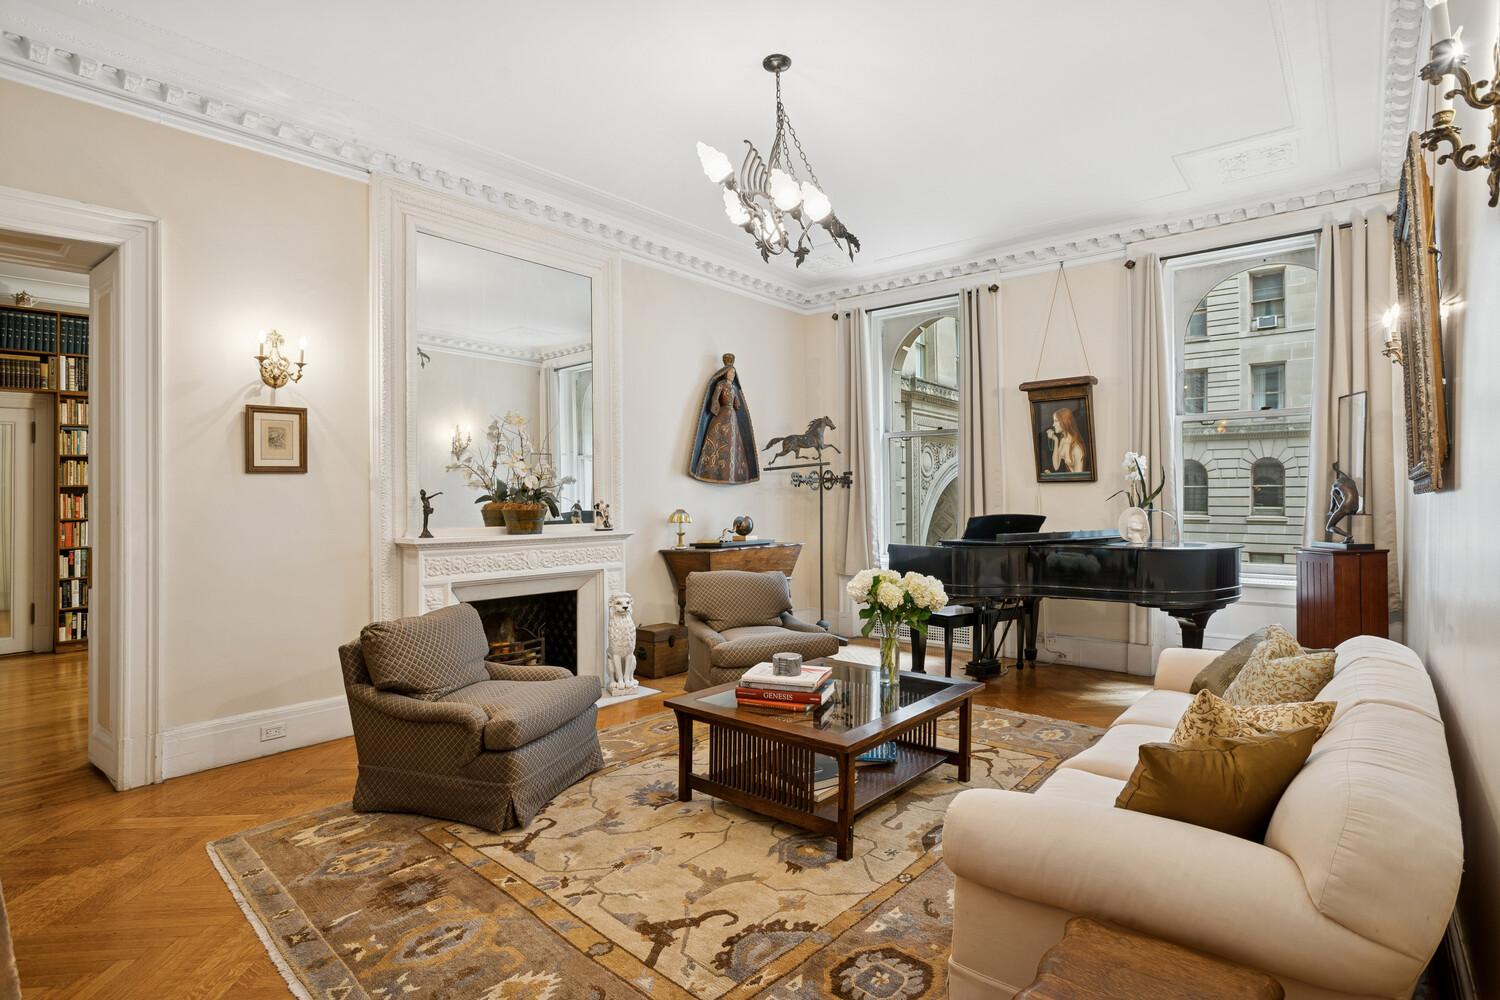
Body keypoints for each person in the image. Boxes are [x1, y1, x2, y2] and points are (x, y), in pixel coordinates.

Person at [689, 353, 760, 483]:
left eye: (734, 374)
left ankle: (733, 472)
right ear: (726, 373)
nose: (732, 376)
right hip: (723, 414)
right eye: (730, 373)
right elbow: (715, 398)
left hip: (732, 415)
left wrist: (737, 403)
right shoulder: (721, 384)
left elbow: (737, 404)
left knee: (733, 441)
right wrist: (715, 403)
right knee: (719, 438)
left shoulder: (734, 388)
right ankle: (713, 469)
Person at [1046, 406, 1087, 474]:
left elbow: (1079, 475)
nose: (1053, 425)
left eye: (1056, 421)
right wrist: (1055, 440)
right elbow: (1056, 466)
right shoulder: (1063, 440)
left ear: (1064, 421)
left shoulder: (1077, 448)